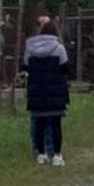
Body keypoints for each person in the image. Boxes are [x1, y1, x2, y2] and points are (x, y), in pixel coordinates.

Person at [23, 20, 70, 166]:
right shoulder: (59, 48)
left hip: (36, 92)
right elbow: (65, 68)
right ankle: (56, 155)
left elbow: (26, 66)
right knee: (56, 125)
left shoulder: (29, 49)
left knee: (39, 123)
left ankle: (41, 154)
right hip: (55, 91)